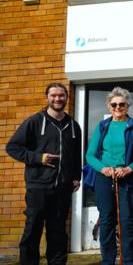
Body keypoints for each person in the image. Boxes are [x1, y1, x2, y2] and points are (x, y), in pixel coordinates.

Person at [6, 83, 82, 265]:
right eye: (54, 95)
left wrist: (76, 176)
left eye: (61, 95)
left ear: (66, 98)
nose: (57, 99)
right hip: (38, 186)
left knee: (58, 233)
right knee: (33, 230)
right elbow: (12, 147)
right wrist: (38, 158)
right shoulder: (34, 121)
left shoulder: (73, 125)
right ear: (47, 97)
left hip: (62, 188)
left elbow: (76, 154)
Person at [85, 87, 133, 265]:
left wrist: (129, 168)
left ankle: (128, 261)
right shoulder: (102, 126)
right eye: (114, 104)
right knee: (107, 221)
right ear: (108, 106)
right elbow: (90, 155)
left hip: (127, 178)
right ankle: (108, 261)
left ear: (128, 105)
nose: (117, 107)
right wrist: (103, 168)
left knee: (127, 221)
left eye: (122, 104)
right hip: (105, 178)